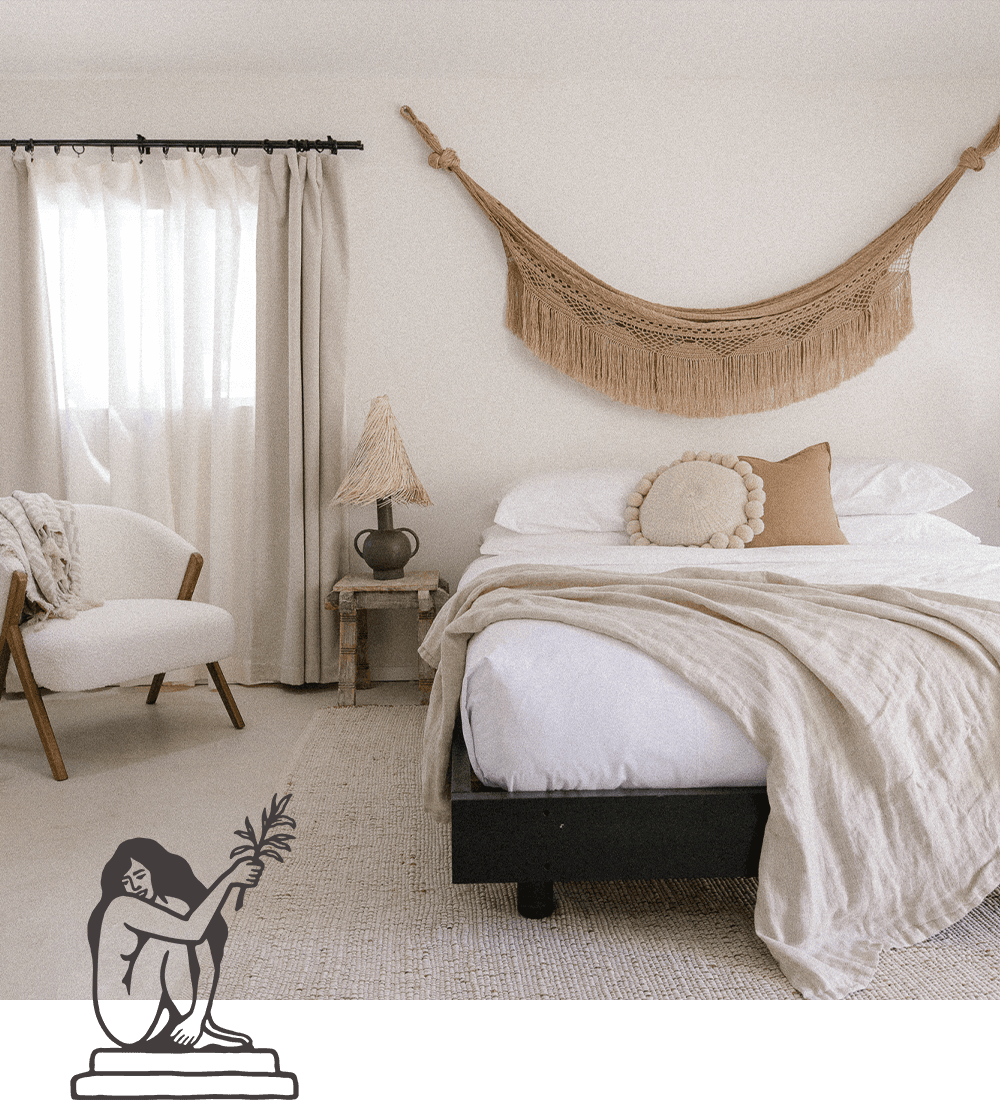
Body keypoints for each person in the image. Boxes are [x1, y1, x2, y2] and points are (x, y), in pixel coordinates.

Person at [87, 837, 262, 1050]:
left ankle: (198, 1020)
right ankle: (195, 1023)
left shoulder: (170, 906)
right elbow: (193, 930)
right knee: (175, 938)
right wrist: (229, 878)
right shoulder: (122, 906)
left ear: (154, 872)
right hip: (124, 1020)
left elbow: (202, 939)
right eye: (126, 881)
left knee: (191, 928)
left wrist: (197, 1017)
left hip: (154, 1013)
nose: (134, 886)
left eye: (140, 875)